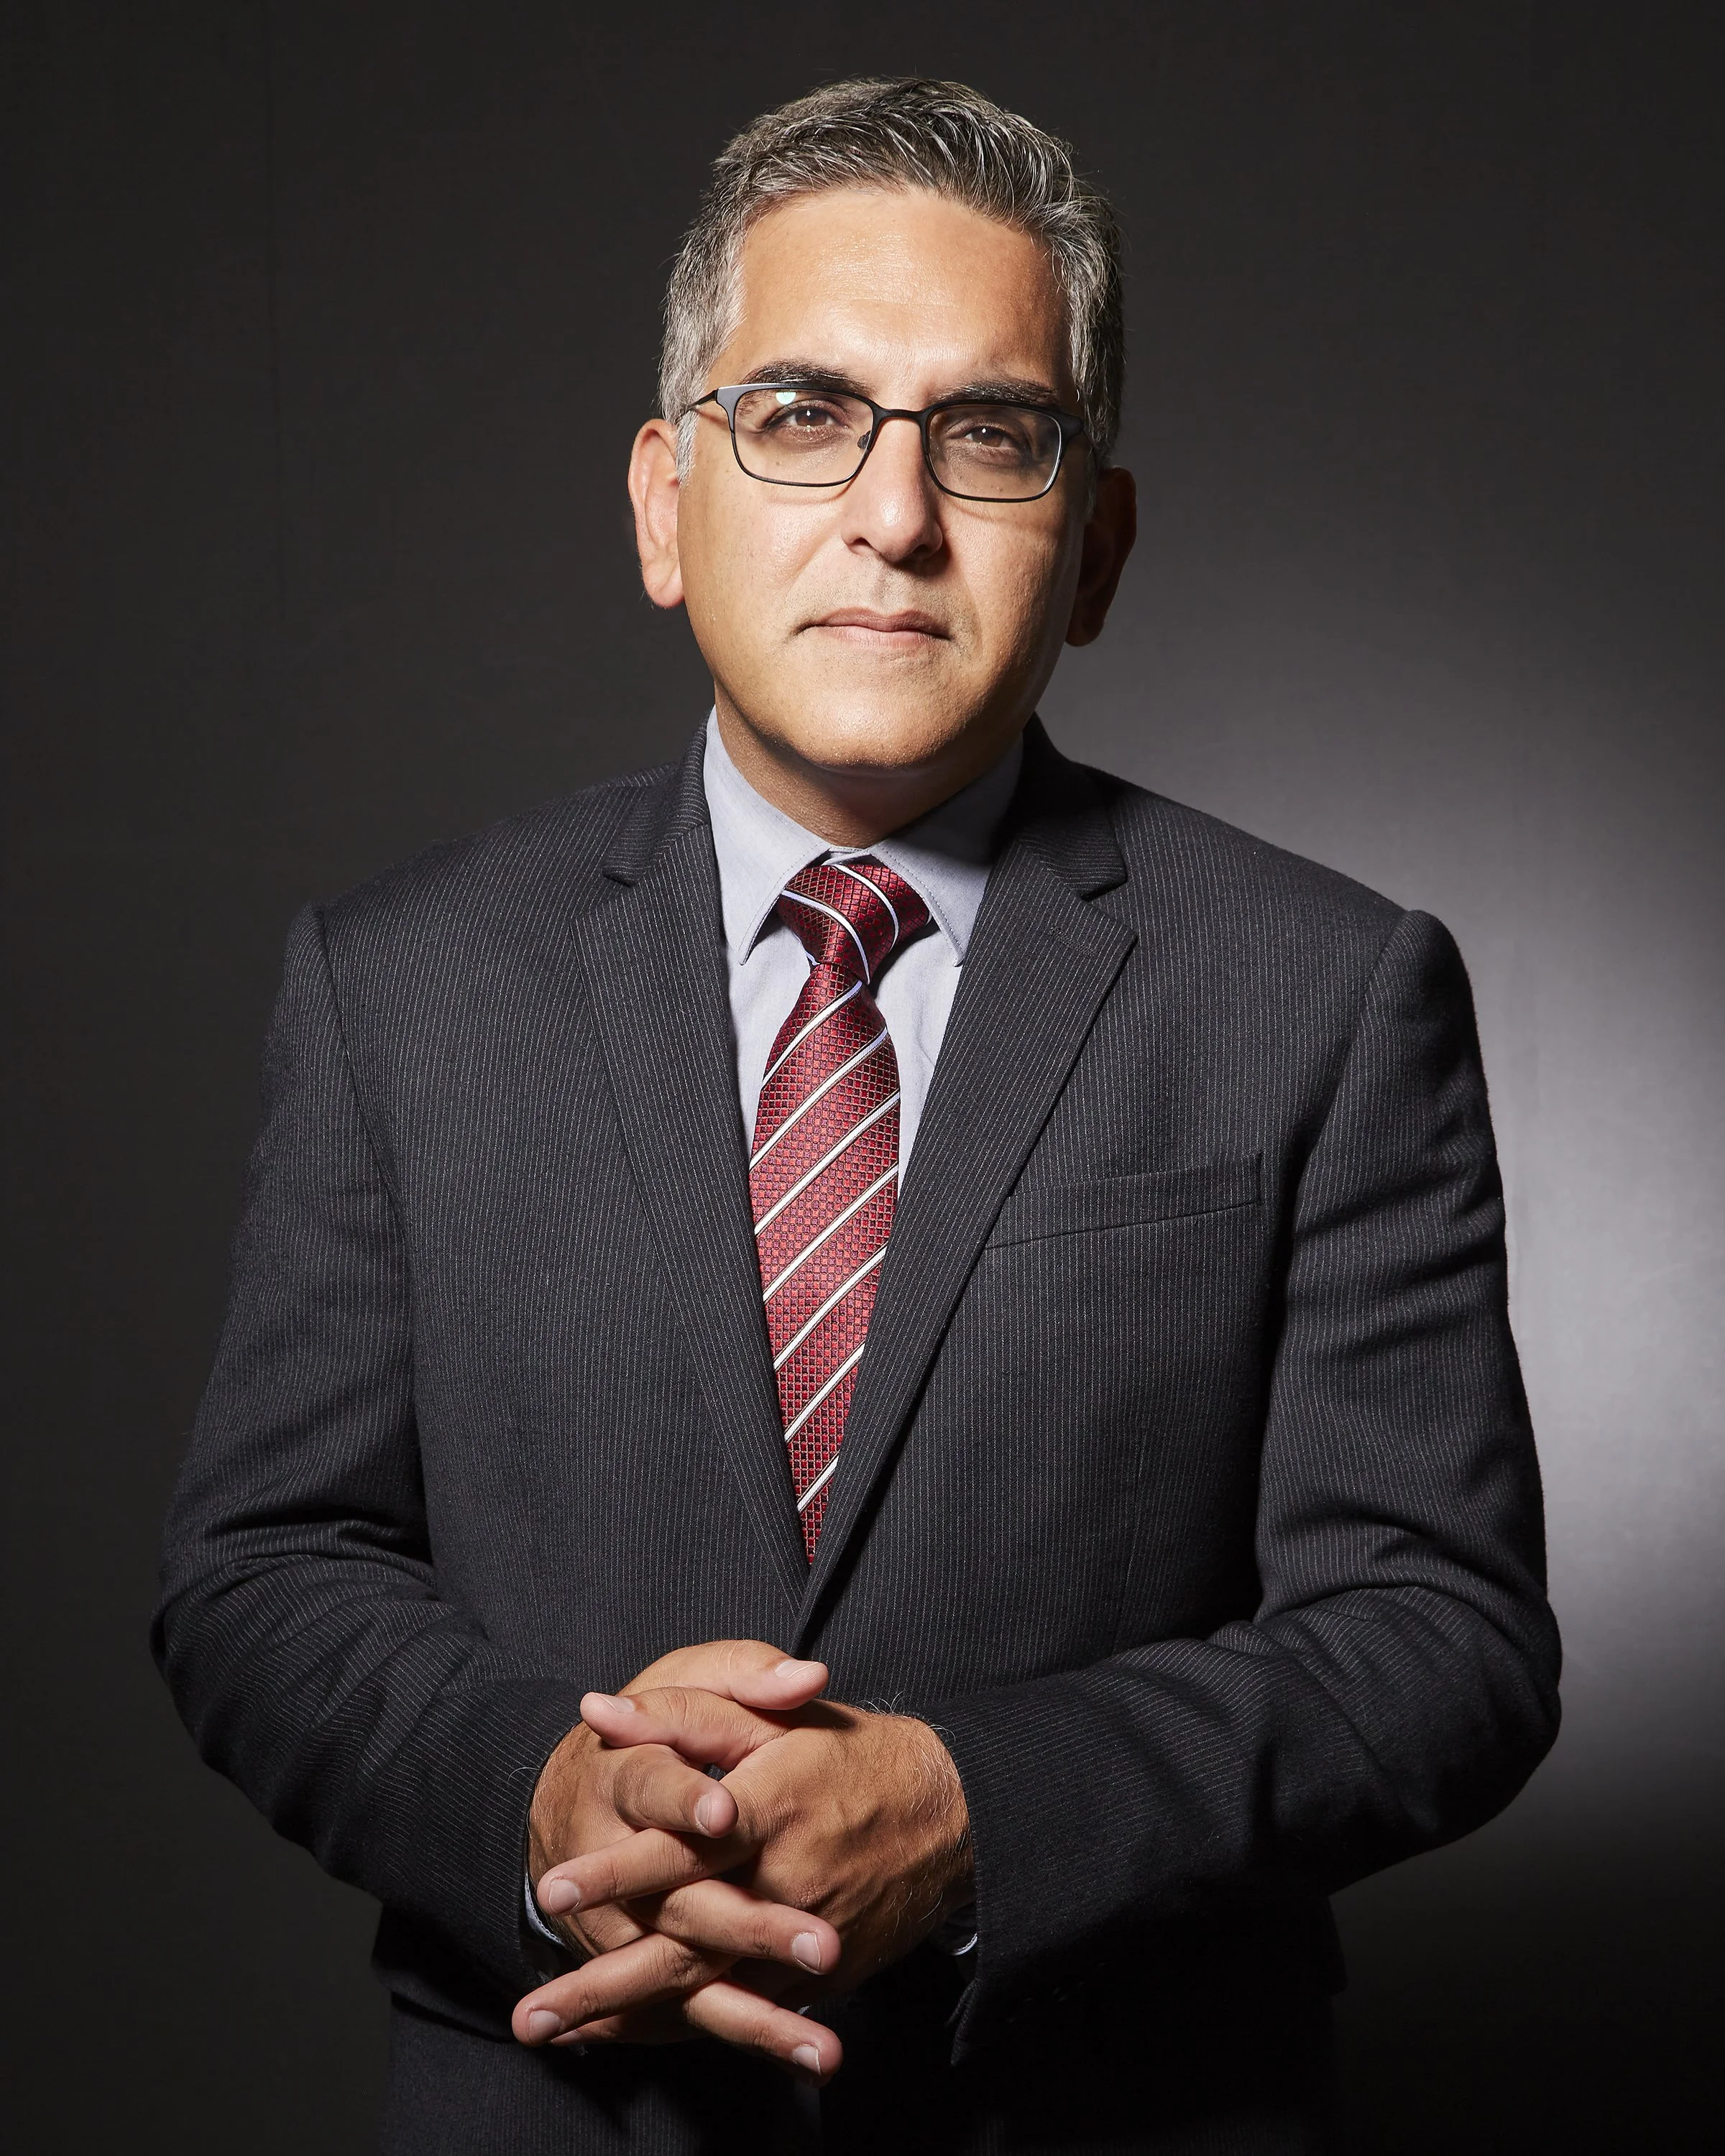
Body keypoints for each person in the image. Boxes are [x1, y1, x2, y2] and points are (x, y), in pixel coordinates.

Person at [155, 76, 1560, 2155]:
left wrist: (982, 1811)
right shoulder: (403, 985)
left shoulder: (1327, 993)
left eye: (991, 437)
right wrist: (545, 1802)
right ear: (662, 501)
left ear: (1096, 545)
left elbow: (1445, 1637)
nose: (893, 519)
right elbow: (263, 1567)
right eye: (803, 415)